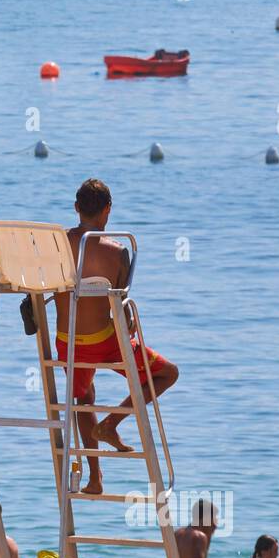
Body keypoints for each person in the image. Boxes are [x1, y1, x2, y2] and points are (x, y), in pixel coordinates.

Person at [54, 179, 178, 493]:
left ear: (76, 208)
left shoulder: (54, 244)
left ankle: (95, 479)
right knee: (167, 373)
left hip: (67, 342)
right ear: (107, 210)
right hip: (104, 343)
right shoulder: (118, 250)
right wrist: (131, 327)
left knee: (83, 397)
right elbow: (120, 308)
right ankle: (112, 422)